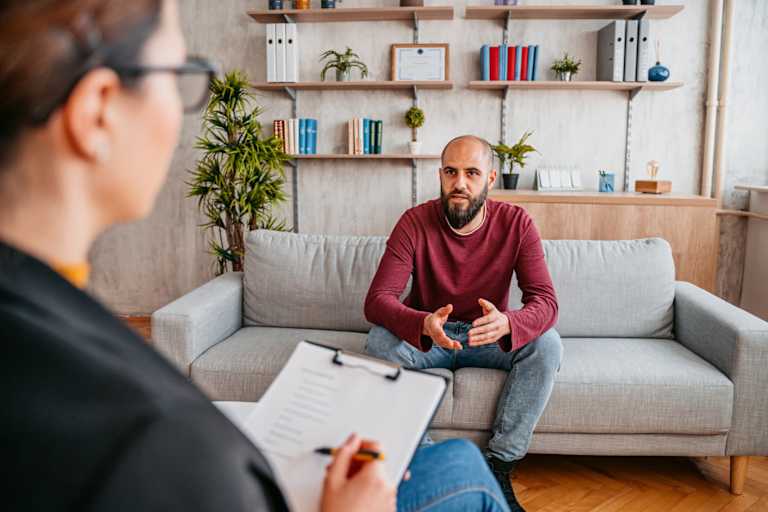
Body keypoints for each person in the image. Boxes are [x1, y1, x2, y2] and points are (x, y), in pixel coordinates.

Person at [0, 1, 510, 511]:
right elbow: (379, 302)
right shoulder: (152, 434)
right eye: (178, 74)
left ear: (488, 178)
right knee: (463, 466)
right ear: (98, 110)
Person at [364, 135, 564, 511]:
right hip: (430, 338)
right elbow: (377, 301)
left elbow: (546, 302)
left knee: (547, 344)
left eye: (471, 173)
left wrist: (509, 323)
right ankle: (425, 462)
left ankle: (500, 465)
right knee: (379, 342)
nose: (460, 183)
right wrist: (423, 324)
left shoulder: (517, 223)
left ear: (490, 179)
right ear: (440, 175)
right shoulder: (414, 221)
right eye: (451, 172)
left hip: (486, 337)